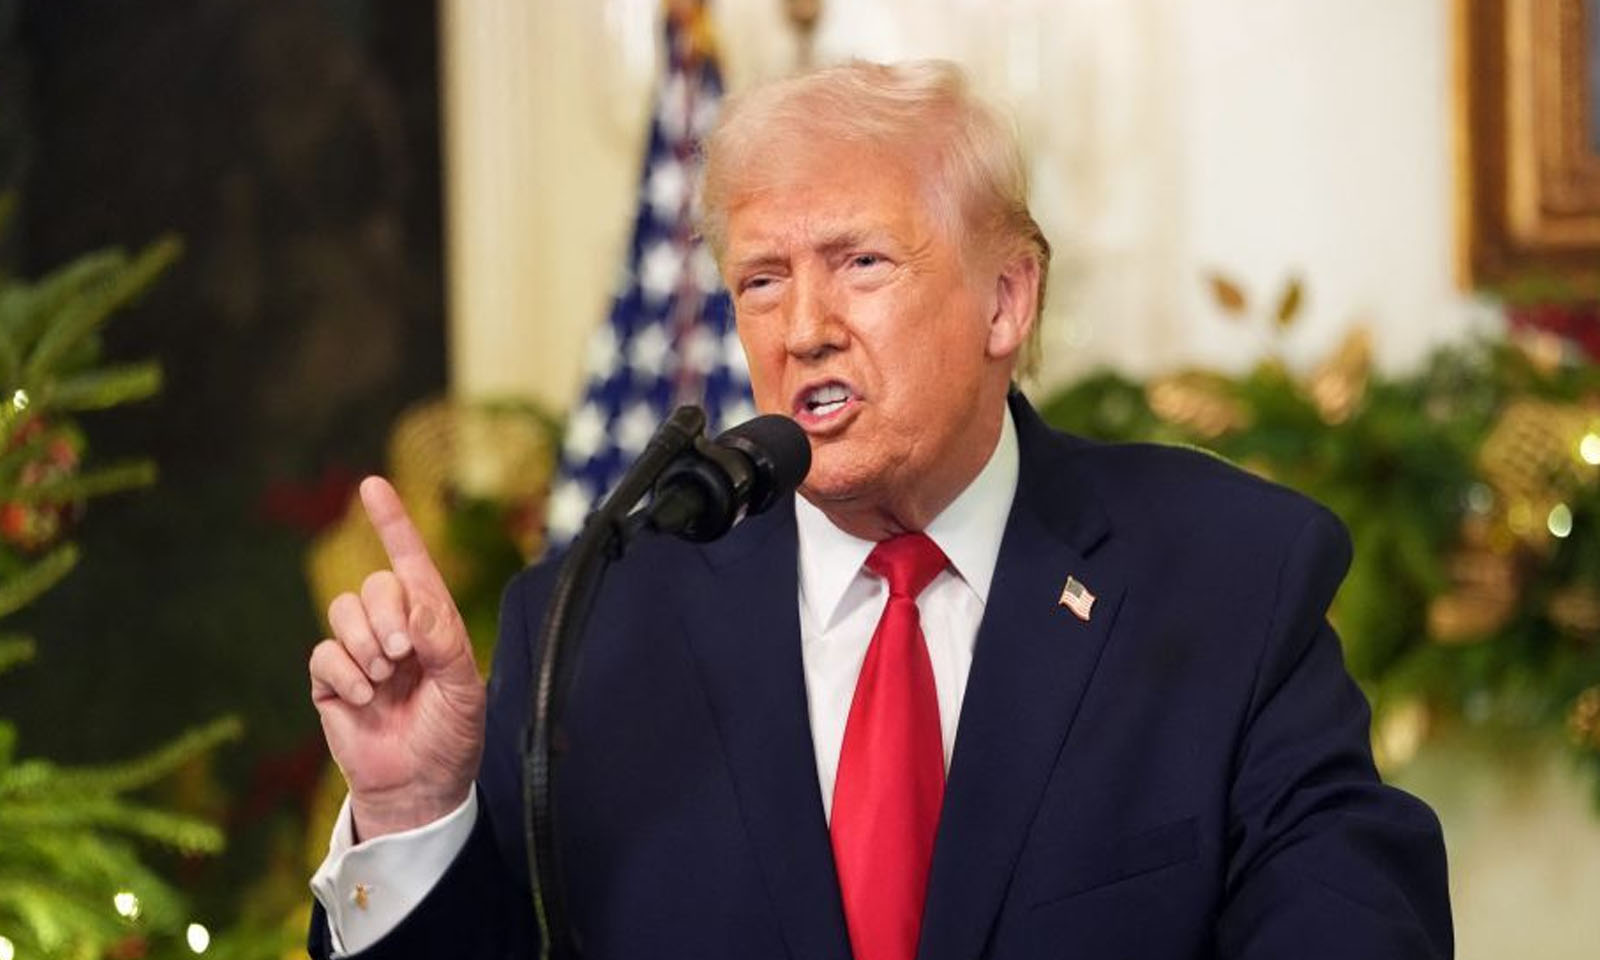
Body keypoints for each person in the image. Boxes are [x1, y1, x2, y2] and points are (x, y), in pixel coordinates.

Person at [306, 60, 1452, 959]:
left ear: (1005, 300)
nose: (803, 329)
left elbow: (1352, 921)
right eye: (762, 280)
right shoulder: (596, 623)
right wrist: (412, 813)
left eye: (859, 263)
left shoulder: (1224, 578)